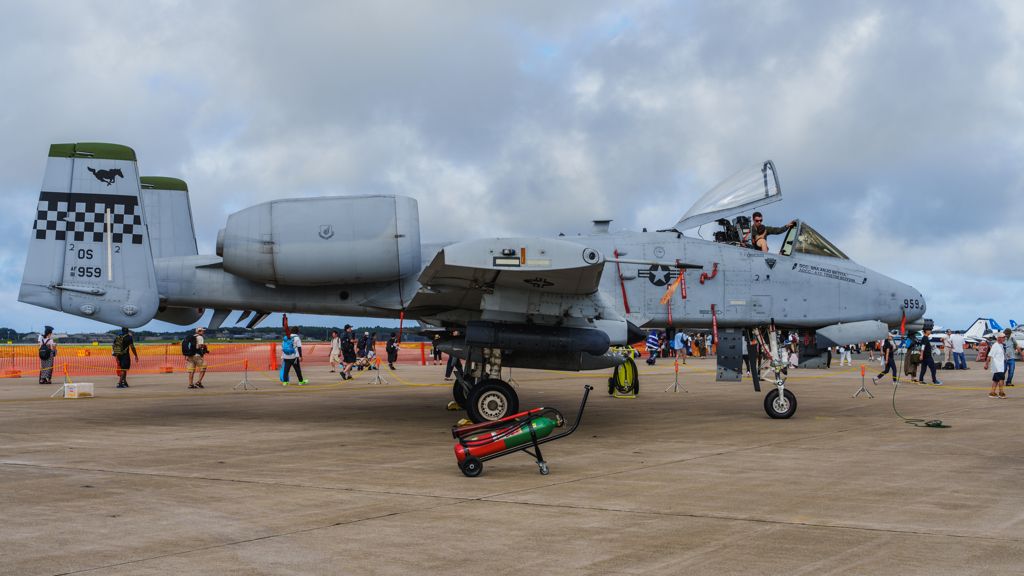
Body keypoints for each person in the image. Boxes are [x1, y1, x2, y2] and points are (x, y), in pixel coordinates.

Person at [985, 333, 1007, 398]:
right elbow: (990, 355)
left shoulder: (1001, 345)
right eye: (1002, 337)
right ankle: (1001, 392)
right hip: (998, 366)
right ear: (999, 338)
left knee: (996, 380)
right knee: (1001, 379)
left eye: (1004, 337)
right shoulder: (995, 345)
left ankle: (992, 392)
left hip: (1000, 365)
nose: (1004, 339)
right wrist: (986, 364)